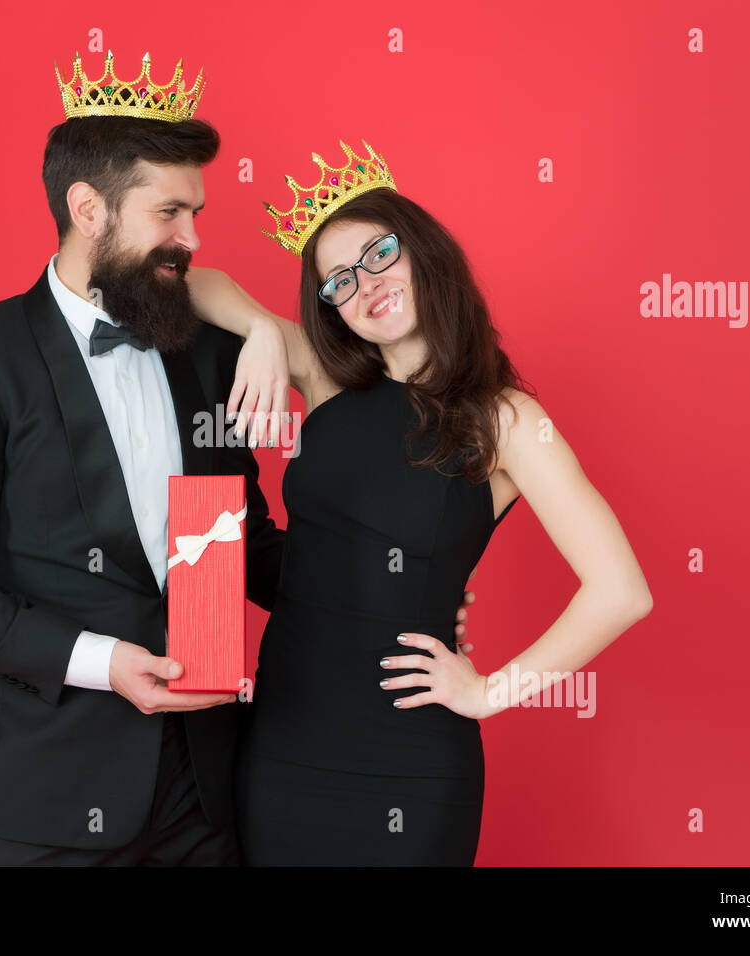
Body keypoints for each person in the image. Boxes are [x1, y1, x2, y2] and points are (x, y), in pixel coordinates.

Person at [0, 54, 478, 866]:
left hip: (213, 794)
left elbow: (246, 540)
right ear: (88, 208)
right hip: (49, 802)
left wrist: (388, 591)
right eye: (170, 212)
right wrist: (102, 663)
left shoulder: (204, 351)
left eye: (196, 211)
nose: (192, 238)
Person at [185, 140, 654, 865]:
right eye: (338, 281)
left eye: (378, 254)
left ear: (423, 248)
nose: (365, 284)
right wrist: (257, 332)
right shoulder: (327, 381)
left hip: (410, 760)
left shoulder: (507, 421)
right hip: (280, 745)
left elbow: (622, 591)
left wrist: (492, 692)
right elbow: (194, 284)